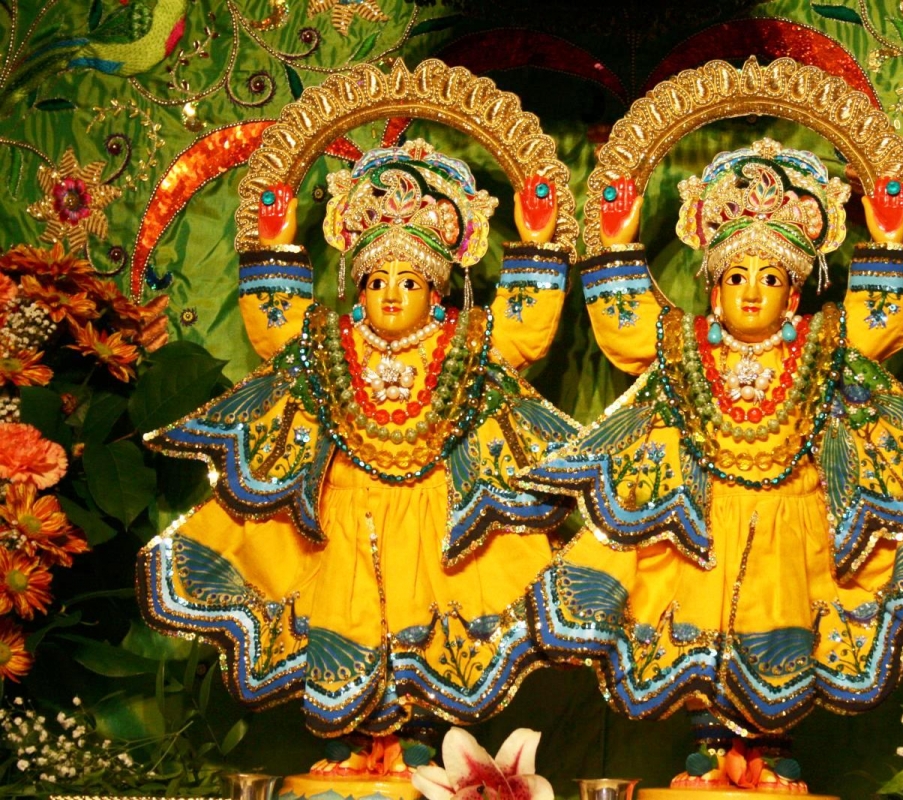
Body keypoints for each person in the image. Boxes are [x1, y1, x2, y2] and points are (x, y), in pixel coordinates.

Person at [520, 139, 903, 789]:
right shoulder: (687, 347)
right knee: (703, 641)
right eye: (736, 277)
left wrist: (889, 243)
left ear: (796, 294)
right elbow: (631, 332)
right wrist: (617, 246)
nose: (752, 292)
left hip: (794, 529)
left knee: (784, 639)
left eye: (770, 278)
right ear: (713, 290)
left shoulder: (821, 347)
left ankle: (771, 755)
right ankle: (709, 753)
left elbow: (877, 326)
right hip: (705, 531)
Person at [137, 140, 578, 771]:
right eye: (375, 280)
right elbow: (278, 330)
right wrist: (275, 247)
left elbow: (520, 332)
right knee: (343, 635)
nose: (391, 295)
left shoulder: (462, 344)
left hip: (435, 529)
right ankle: (355, 750)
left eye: (409, 281)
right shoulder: (328, 345)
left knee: (428, 642)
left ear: (438, 290)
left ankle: (420, 751)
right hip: (340, 525)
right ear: (356, 288)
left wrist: (536, 245)